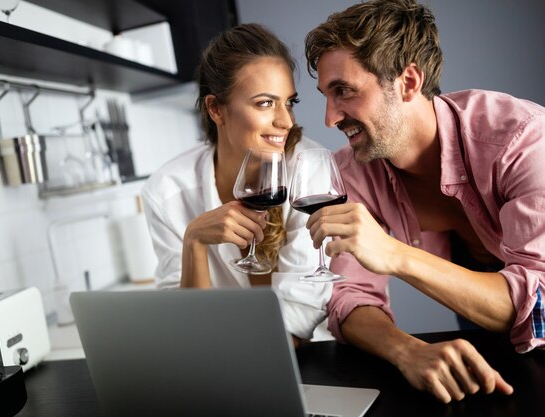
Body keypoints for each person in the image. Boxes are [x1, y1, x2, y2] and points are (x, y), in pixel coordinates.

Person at [304, 0, 545, 403]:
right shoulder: (352, 171)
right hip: (477, 312)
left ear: (408, 81)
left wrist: (396, 255)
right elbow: (349, 298)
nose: (330, 118)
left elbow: (539, 302)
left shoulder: (522, 139)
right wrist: (407, 350)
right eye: (327, 95)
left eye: (343, 91)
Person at [142, 23, 331, 341]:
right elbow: (187, 325)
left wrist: (238, 366)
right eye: (265, 103)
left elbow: (302, 308)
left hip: (311, 359)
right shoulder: (167, 190)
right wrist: (194, 242)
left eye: (289, 102)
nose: (286, 121)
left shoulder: (310, 167)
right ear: (216, 108)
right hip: (224, 364)